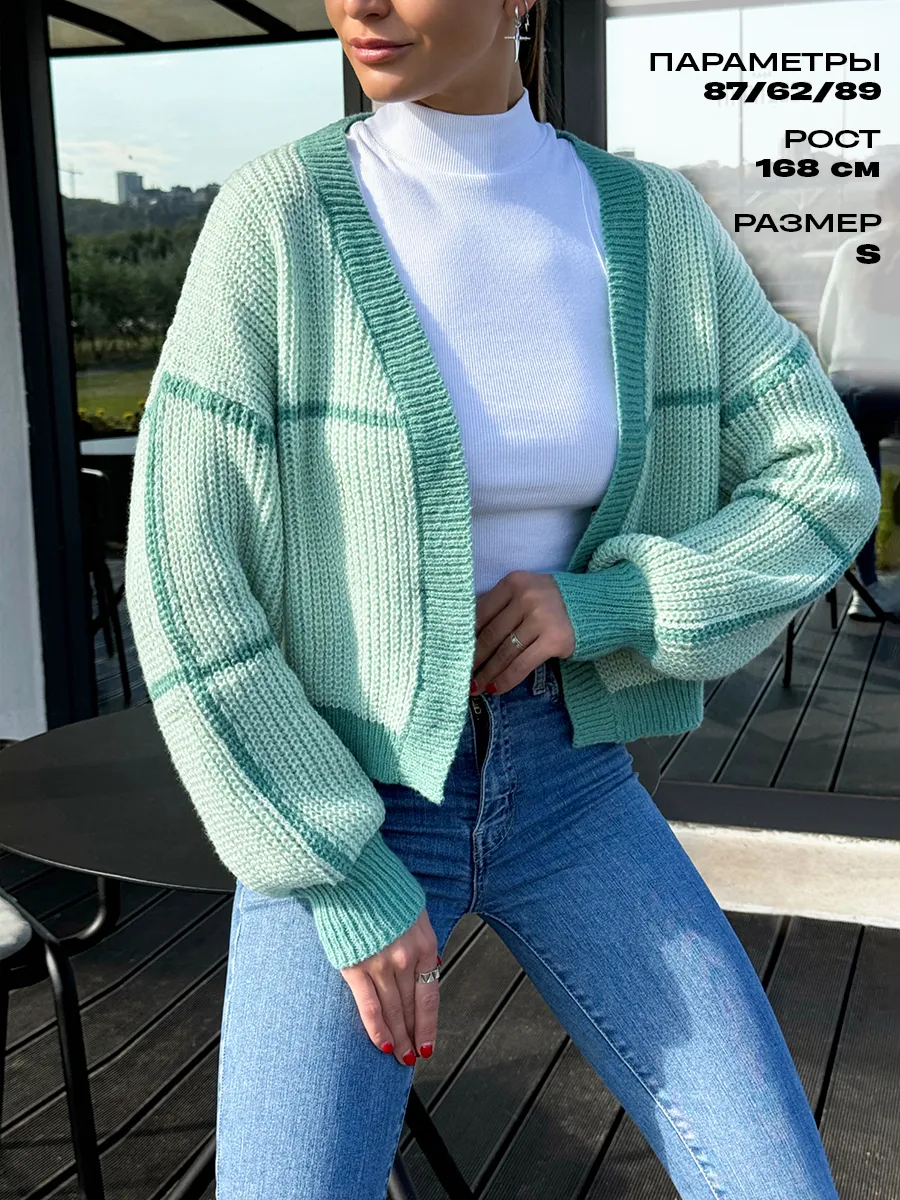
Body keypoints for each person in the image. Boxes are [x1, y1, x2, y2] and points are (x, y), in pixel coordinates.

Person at [123, 2, 881, 1197]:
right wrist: (338, 871)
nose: (361, 3)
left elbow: (824, 479)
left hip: (572, 790)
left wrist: (617, 601)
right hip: (347, 803)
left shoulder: (652, 221)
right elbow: (185, 572)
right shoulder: (282, 215)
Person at [817, 166, 900, 619]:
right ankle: (876, 583)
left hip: (844, 381)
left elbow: (827, 328)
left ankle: (863, 587)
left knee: (863, 482)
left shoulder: (850, 249)